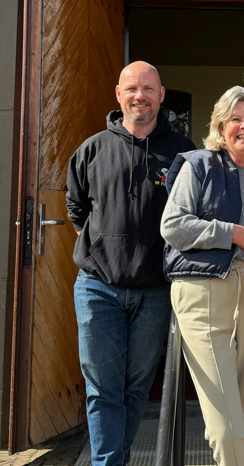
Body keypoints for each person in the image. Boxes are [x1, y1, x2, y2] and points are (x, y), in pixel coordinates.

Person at [66, 61, 194, 466]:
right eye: (132, 89)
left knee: (136, 387)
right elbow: (76, 208)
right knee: (102, 389)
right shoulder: (92, 149)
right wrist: (102, 246)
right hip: (98, 287)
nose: (140, 96)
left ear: (161, 95)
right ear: (119, 94)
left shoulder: (183, 152)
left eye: (148, 89)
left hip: (155, 290)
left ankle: (113, 460)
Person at [160, 85, 244, 466]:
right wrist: (232, 233)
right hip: (203, 292)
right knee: (226, 424)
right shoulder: (197, 165)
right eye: (236, 119)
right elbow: (173, 226)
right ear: (221, 125)